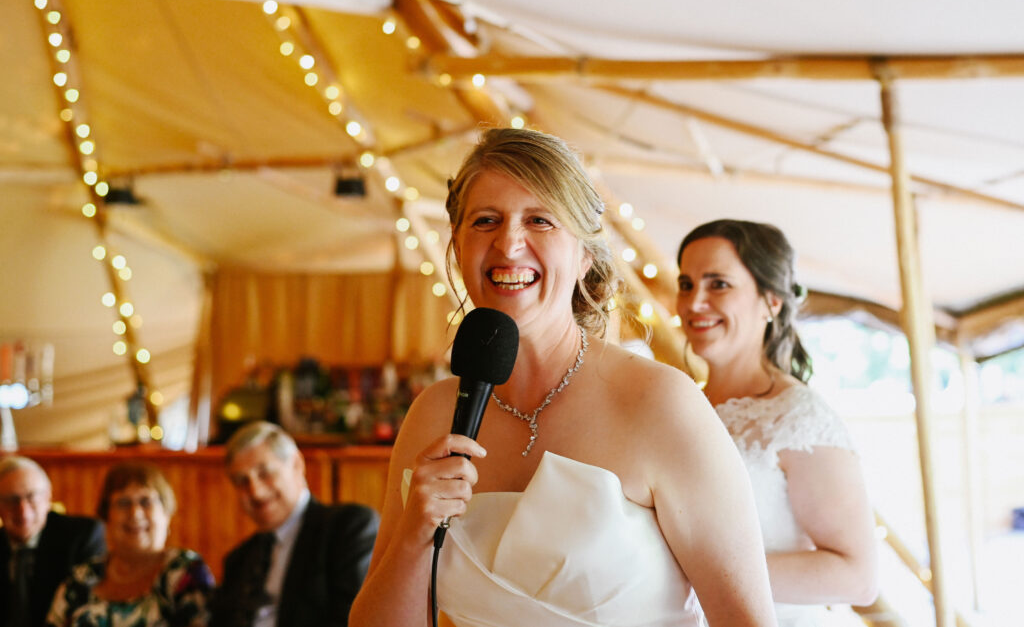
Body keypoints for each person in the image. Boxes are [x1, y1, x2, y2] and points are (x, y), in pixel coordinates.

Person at [350, 128, 777, 627]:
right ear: (460, 247)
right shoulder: (435, 413)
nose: (508, 243)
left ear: (585, 255)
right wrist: (413, 536)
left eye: (540, 220)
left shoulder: (660, 403)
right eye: (485, 220)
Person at [675, 219, 879, 626]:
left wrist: (697, 575)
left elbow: (857, 576)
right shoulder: (679, 406)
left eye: (718, 284)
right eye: (686, 284)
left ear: (772, 302)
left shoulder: (798, 417)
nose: (694, 302)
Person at [211, 421, 379, 627]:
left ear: (297, 464)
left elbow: (355, 621)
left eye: (265, 473)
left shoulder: (347, 528)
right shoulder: (238, 560)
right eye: (242, 481)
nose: (255, 491)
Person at [45, 460, 214, 627]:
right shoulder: (80, 580)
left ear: (166, 512)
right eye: (123, 503)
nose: (135, 513)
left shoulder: (185, 572)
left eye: (146, 502)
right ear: (106, 515)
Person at [0, 456, 106, 627]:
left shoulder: (82, 536)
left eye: (31, 497)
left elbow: (88, 611)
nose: (22, 510)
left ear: (48, 497)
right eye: (11, 500)